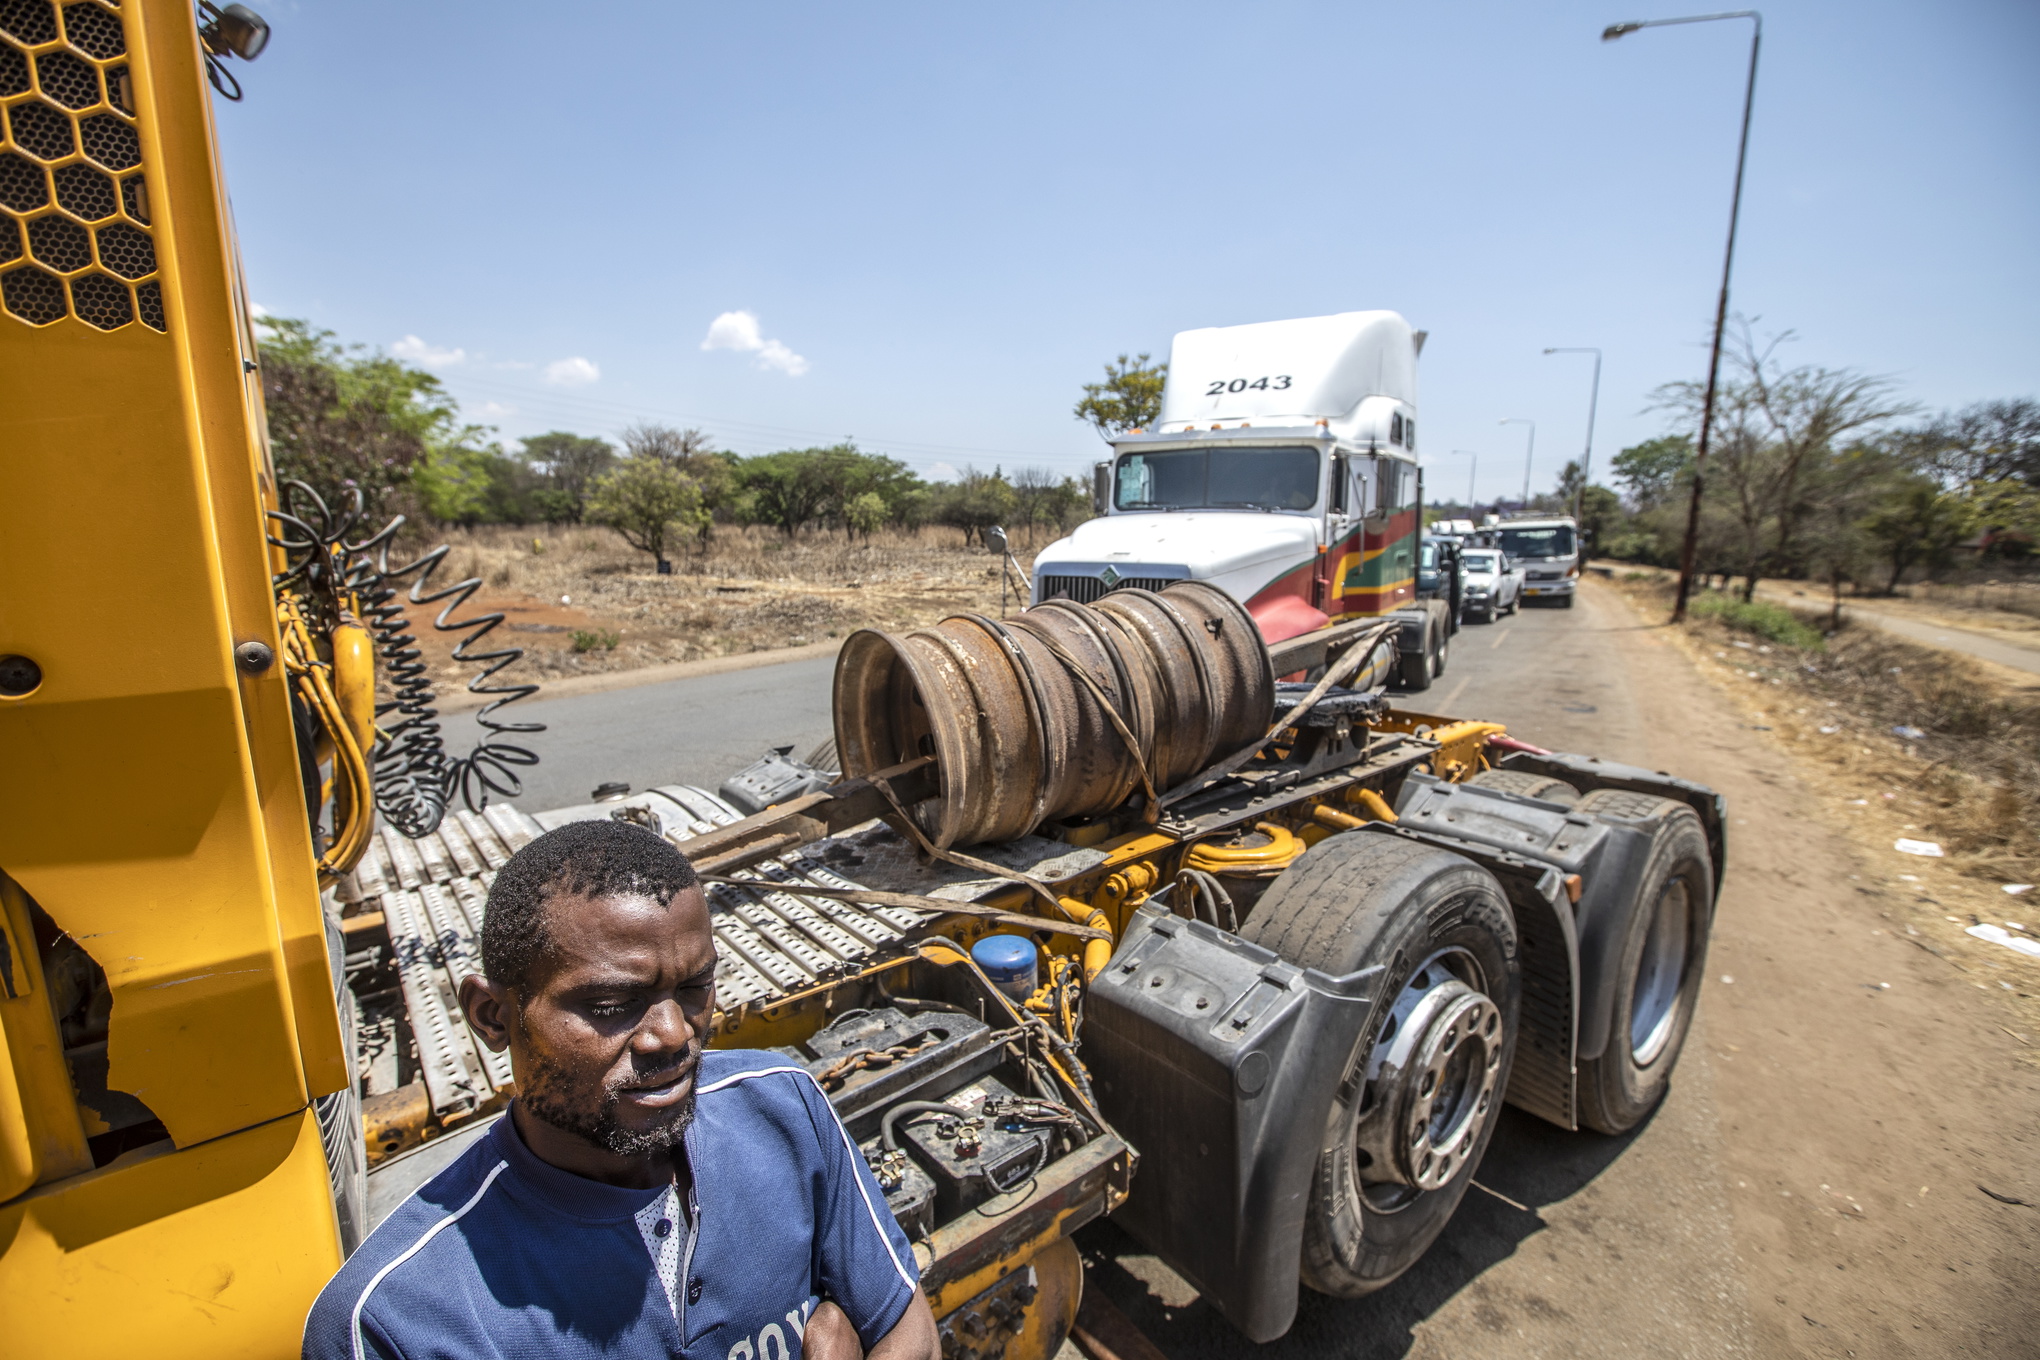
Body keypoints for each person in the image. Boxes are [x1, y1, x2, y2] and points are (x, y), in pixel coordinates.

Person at [303, 819, 940, 1360]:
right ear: (494, 1017)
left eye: (693, 989)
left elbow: (906, 1323)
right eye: (612, 1003)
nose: (671, 1035)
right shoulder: (394, 1321)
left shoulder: (783, 1109)